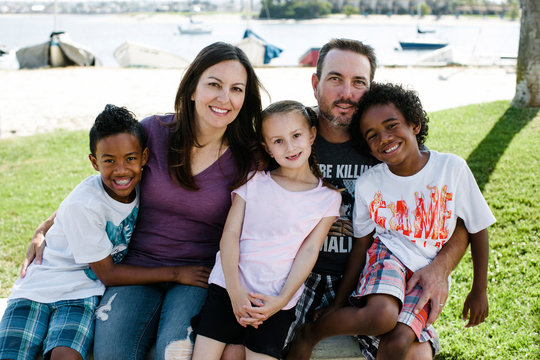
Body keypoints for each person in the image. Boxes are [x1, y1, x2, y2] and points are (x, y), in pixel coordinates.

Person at [19, 42, 265, 360]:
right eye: (214, 84)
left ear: (245, 99)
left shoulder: (249, 158)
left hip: (198, 274)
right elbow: (100, 189)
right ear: (192, 89)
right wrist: (45, 227)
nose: (224, 98)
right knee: (111, 353)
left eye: (236, 89)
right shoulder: (154, 131)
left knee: (173, 354)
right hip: (136, 267)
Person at [282, 38, 473, 360]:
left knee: (415, 354)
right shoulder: (292, 135)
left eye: (358, 82)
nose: (346, 92)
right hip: (297, 274)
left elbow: (459, 222)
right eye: (334, 79)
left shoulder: (385, 143)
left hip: (373, 277)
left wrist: (440, 267)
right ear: (315, 83)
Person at [0, 104, 174, 360]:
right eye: (109, 161)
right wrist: (176, 273)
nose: (121, 170)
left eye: (130, 158)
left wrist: (43, 226)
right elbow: (108, 273)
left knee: (66, 356)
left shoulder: (140, 185)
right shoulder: (85, 203)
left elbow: (65, 210)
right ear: (94, 162)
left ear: (144, 157)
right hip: (39, 286)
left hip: (81, 291)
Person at [191, 100, 341, 360]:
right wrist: (235, 292)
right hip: (228, 288)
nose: (290, 146)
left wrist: (281, 300)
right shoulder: (254, 180)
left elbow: (309, 251)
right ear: (267, 148)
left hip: (274, 300)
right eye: (278, 141)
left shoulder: (327, 197)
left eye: (296, 136)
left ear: (311, 135)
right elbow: (229, 236)